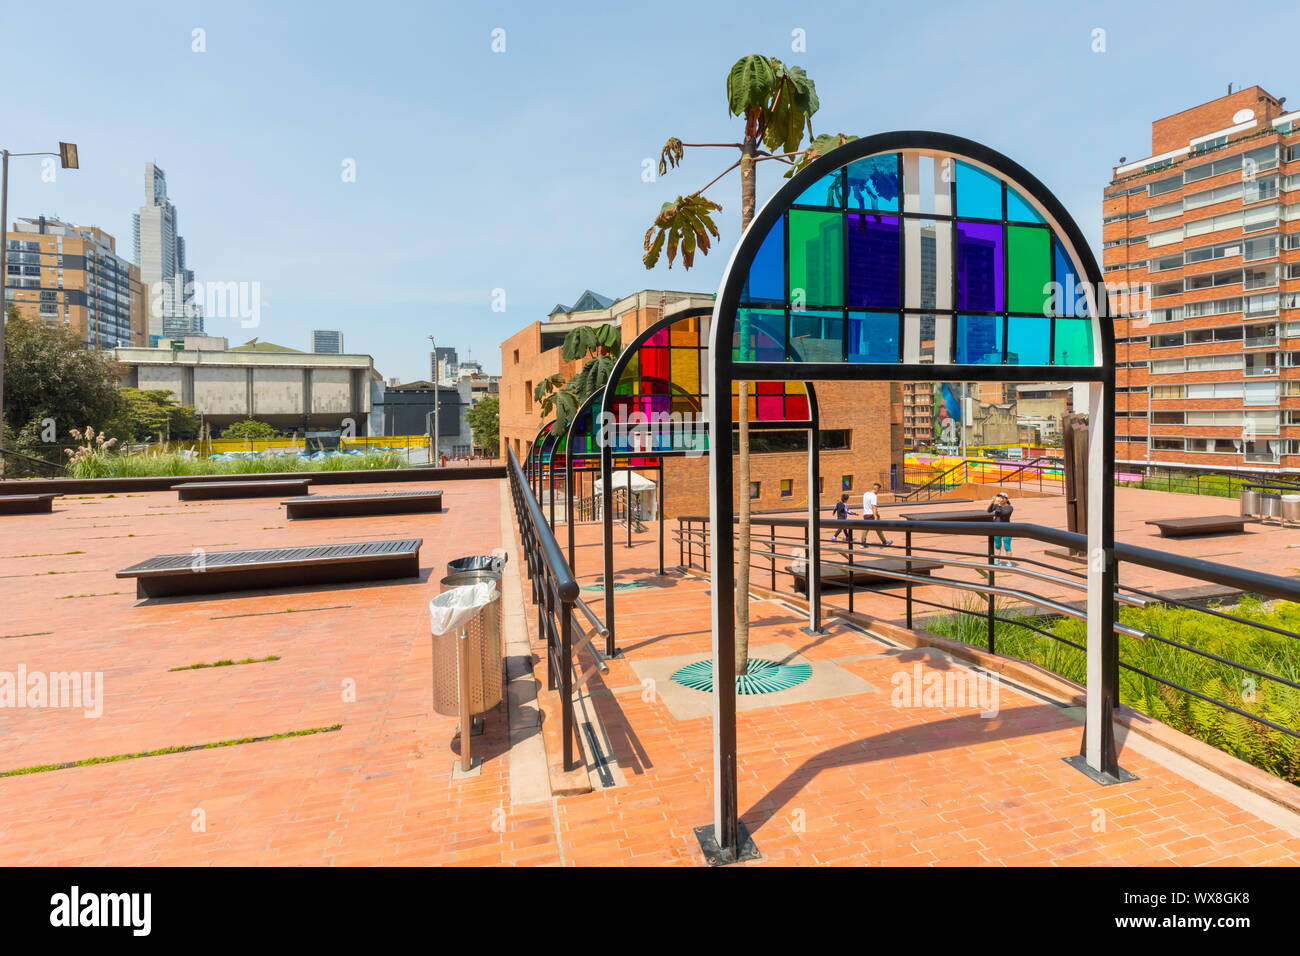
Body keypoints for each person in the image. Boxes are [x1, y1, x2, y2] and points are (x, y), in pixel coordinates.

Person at [861, 482, 892, 547]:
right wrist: (876, 518)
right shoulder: (874, 496)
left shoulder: (865, 494)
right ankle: (884, 542)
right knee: (879, 529)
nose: (879, 492)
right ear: (877, 489)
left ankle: (862, 543)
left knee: (865, 529)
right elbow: (874, 507)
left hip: (866, 514)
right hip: (872, 515)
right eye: (879, 490)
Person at [987, 492, 1014, 564]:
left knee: (1007, 545)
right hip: (997, 528)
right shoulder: (996, 506)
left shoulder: (1009, 507)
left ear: (1006, 499)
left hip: (1006, 529)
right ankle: (997, 560)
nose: (1000, 499)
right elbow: (989, 510)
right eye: (999, 497)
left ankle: (1009, 562)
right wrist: (992, 503)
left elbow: (1003, 513)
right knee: (997, 545)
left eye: (1002, 497)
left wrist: (998, 505)